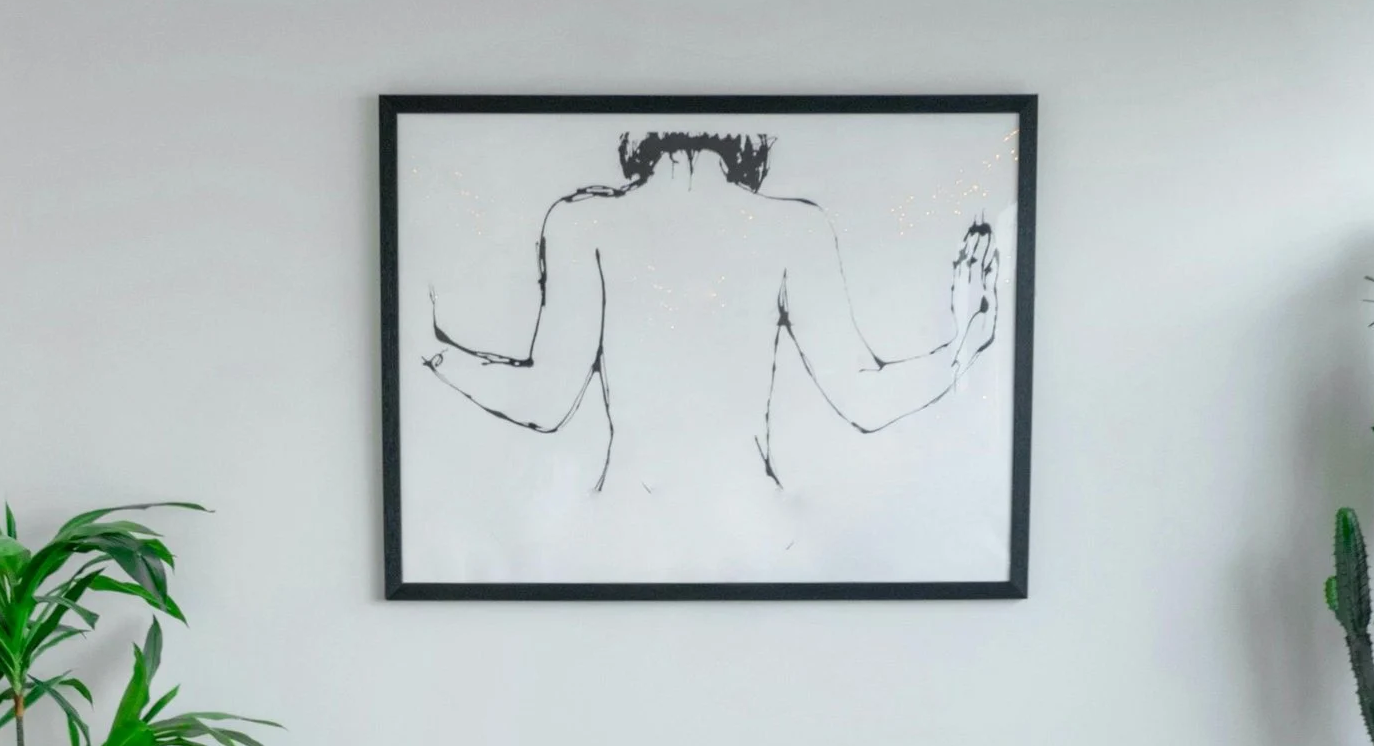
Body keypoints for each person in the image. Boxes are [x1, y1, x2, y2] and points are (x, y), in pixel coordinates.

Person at [422, 127, 997, 501]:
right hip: (755, 522)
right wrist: (964, 345)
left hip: (626, 523)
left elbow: (544, 403)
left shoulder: (582, 224)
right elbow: (864, 401)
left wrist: (432, 351)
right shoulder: (794, 228)